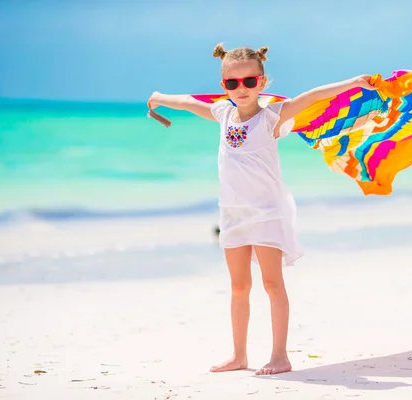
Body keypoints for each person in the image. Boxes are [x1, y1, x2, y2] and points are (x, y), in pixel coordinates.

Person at [147, 42, 376, 375]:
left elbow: (311, 97)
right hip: (233, 215)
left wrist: (353, 83)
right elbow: (186, 102)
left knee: (272, 285)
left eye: (249, 82)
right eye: (232, 83)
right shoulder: (222, 113)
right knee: (239, 287)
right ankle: (239, 356)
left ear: (263, 82)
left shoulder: (272, 117)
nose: (241, 89)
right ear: (223, 86)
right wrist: (158, 97)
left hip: (267, 212)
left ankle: (280, 356)